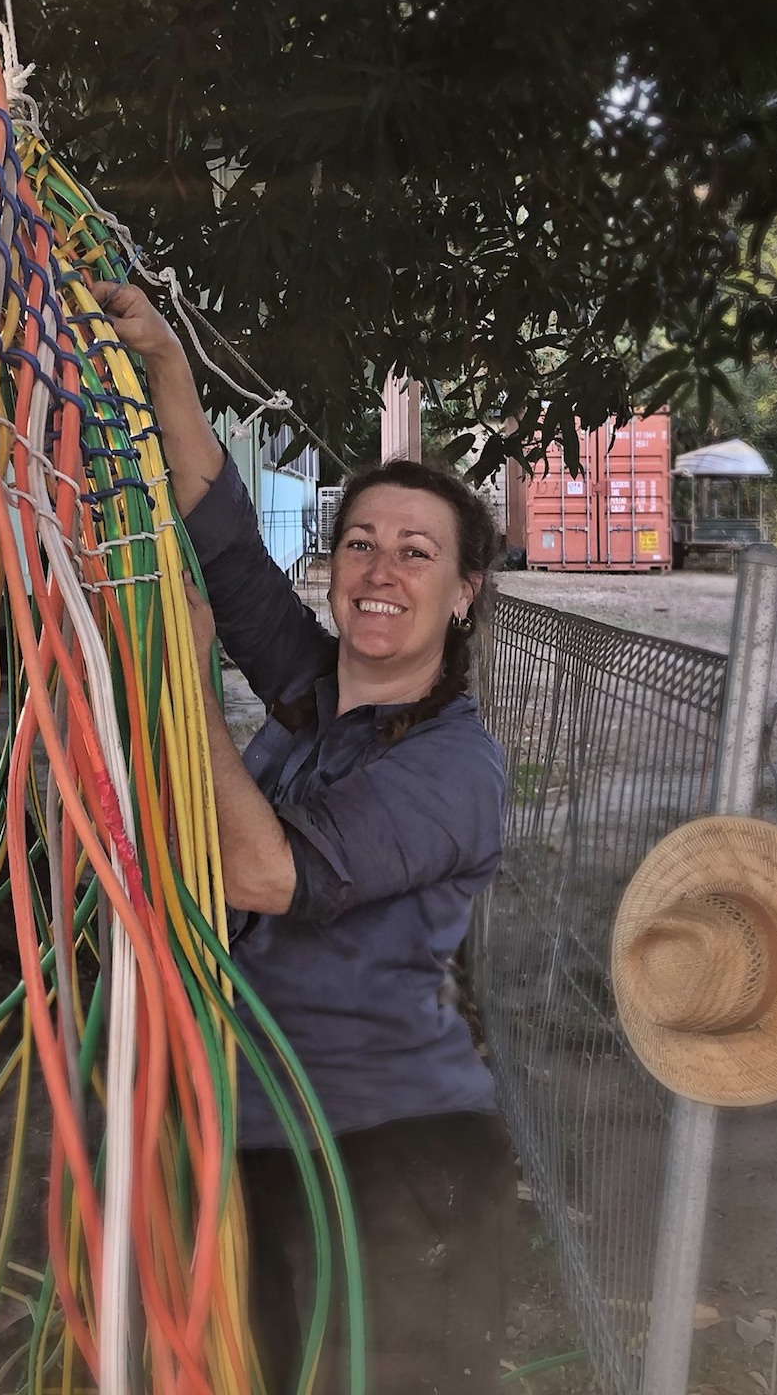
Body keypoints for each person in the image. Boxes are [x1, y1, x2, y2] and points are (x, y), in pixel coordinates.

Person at [95, 280, 515, 1395]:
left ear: (467, 592)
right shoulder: (324, 695)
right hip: (268, 1129)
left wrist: (182, 686)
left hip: (389, 1154)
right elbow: (232, 562)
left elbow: (263, 872)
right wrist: (170, 374)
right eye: (360, 544)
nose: (379, 572)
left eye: (417, 554)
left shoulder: (452, 770)